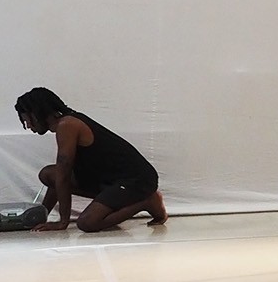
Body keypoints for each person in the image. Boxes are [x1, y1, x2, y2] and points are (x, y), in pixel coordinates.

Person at [15, 87, 167, 232]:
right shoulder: (66, 123)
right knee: (48, 174)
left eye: (27, 120)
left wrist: (63, 222)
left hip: (136, 180)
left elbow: (64, 175)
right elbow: (59, 177)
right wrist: (41, 217)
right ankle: (127, 199)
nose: (28, 126)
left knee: (87, 223)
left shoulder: (67, 125)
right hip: (108, 179)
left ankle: (148, 201)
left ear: (37, 113)